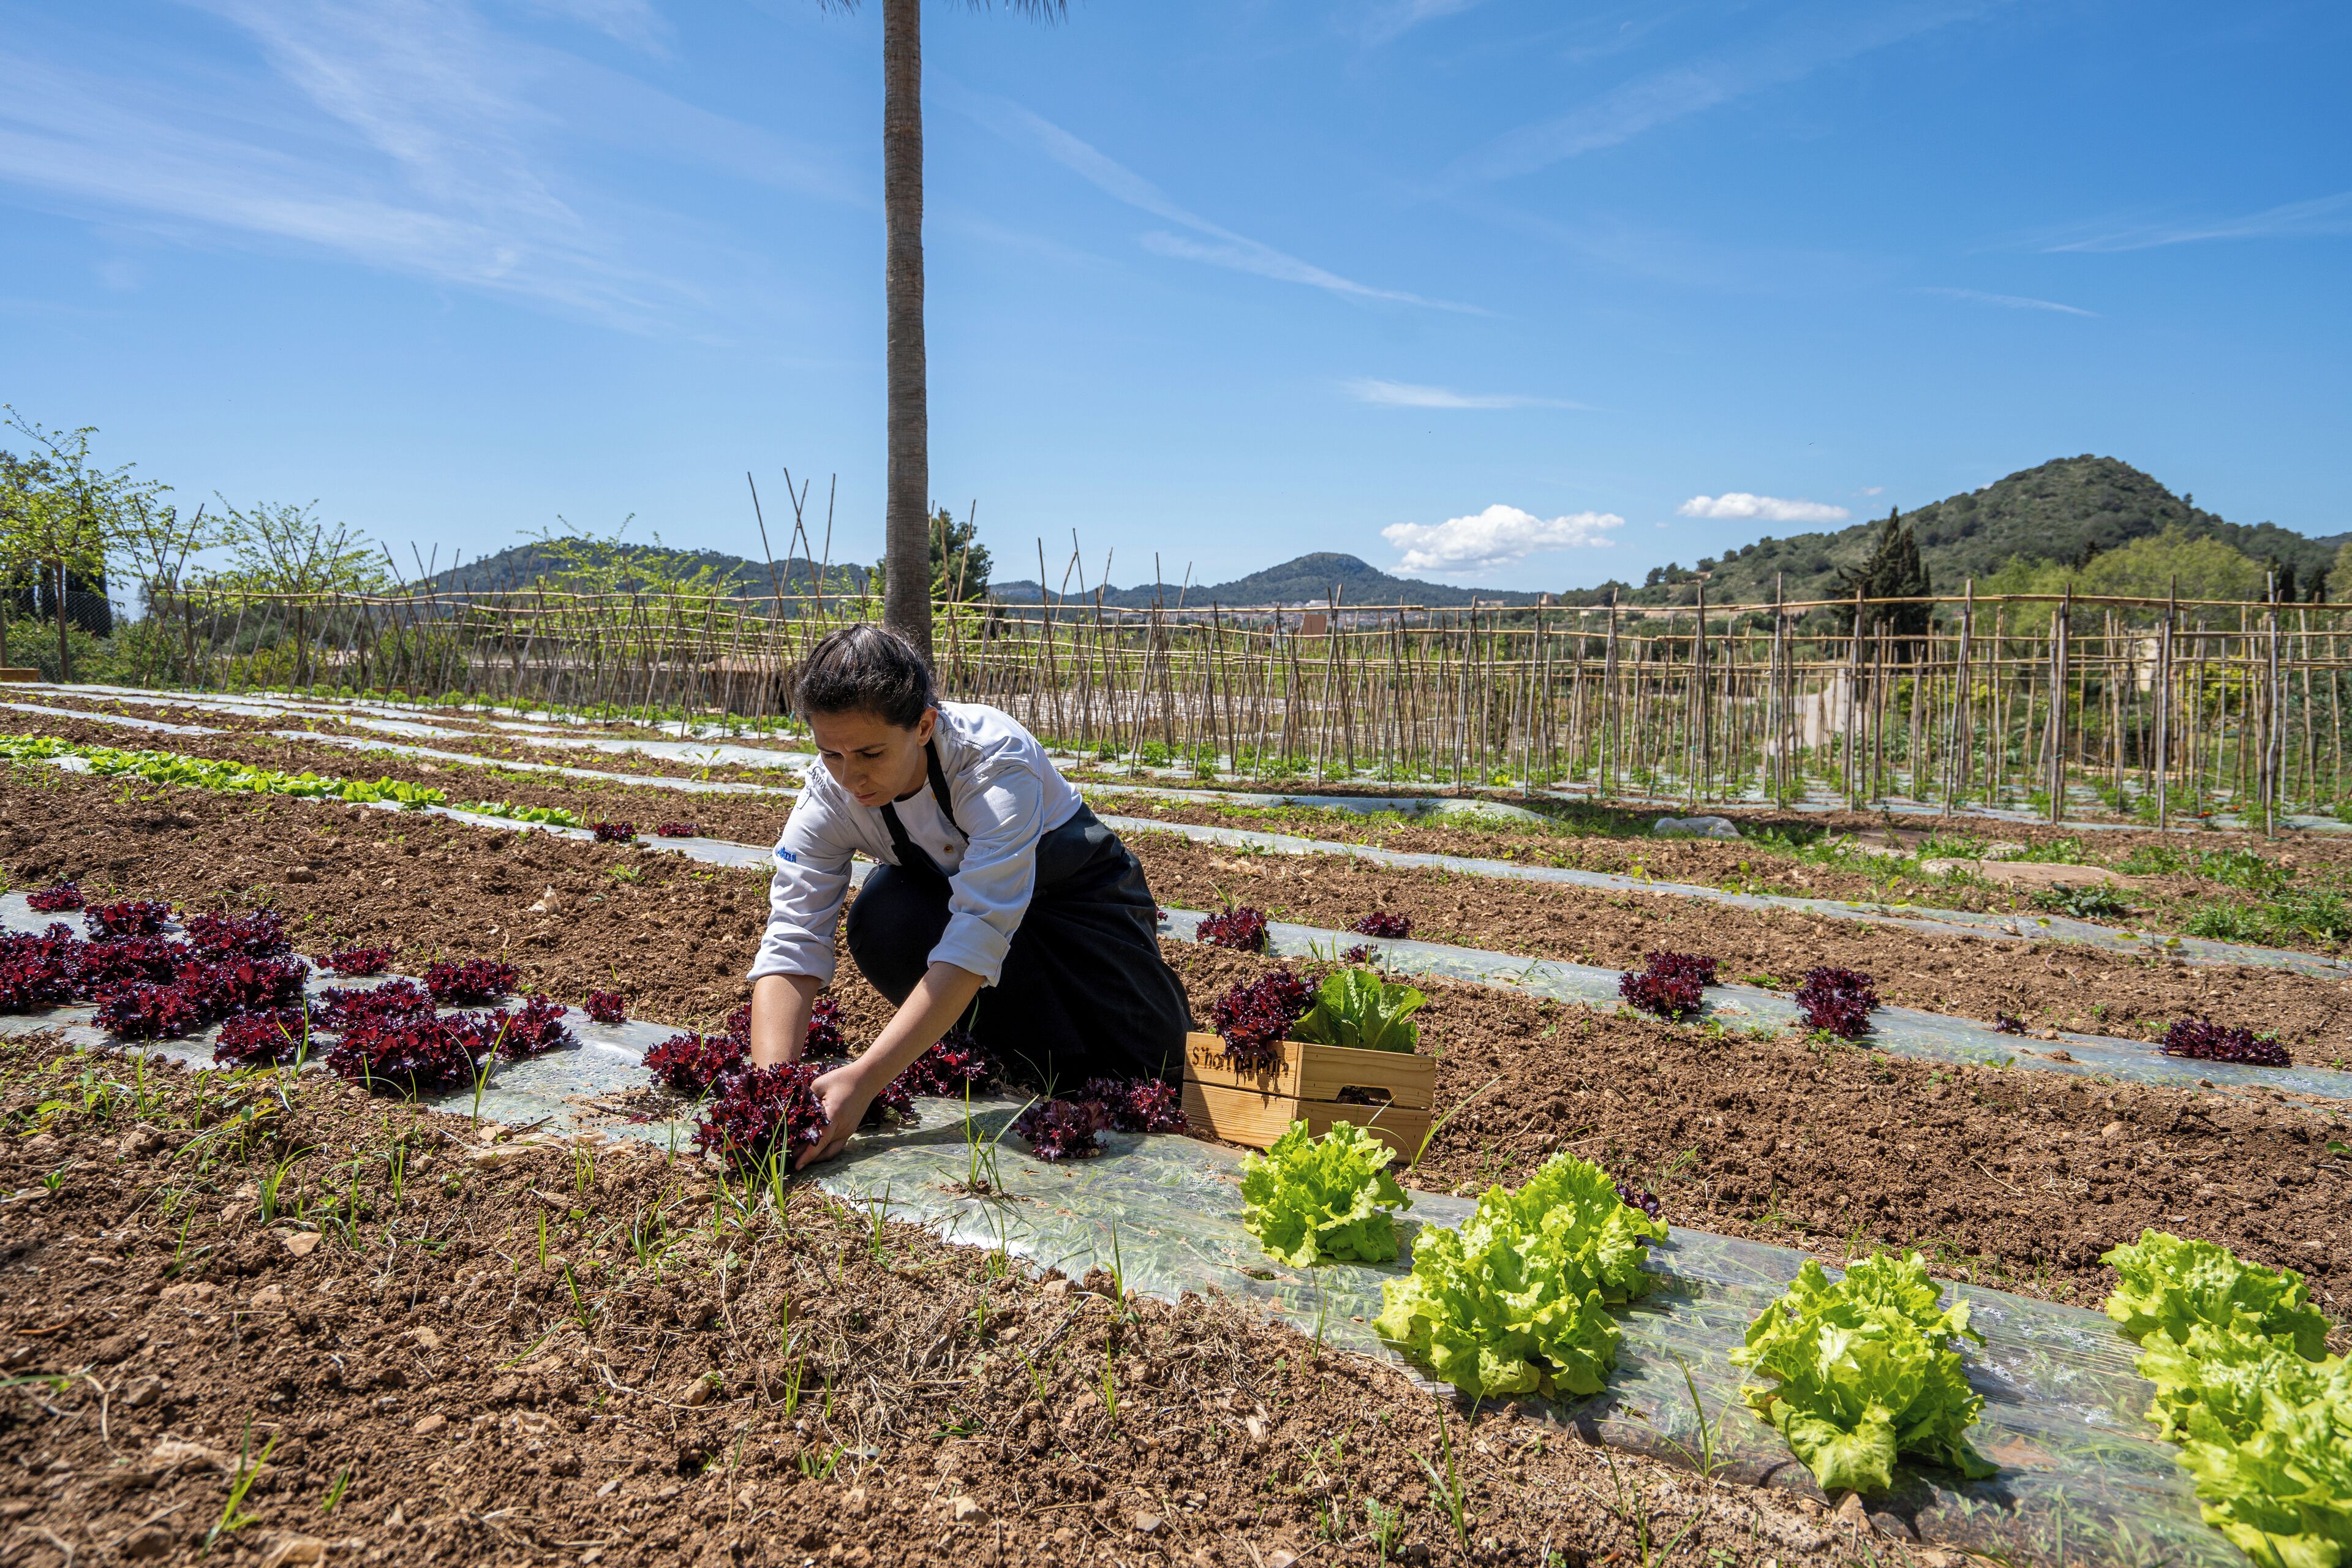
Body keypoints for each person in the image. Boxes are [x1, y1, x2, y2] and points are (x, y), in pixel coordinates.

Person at [746, 624, 1191, 1167]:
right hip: (963, 905)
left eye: (869, 753)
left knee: (1154, 1065)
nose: (850, 778)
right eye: (831, 755)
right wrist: (771, 1095)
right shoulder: (827, 797)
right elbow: (793, 934)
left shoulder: (994, 762)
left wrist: (865, 1079)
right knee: (884, 917)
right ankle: (1022, 1058)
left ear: (923, 726)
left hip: (1076, 902)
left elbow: (978, 932)